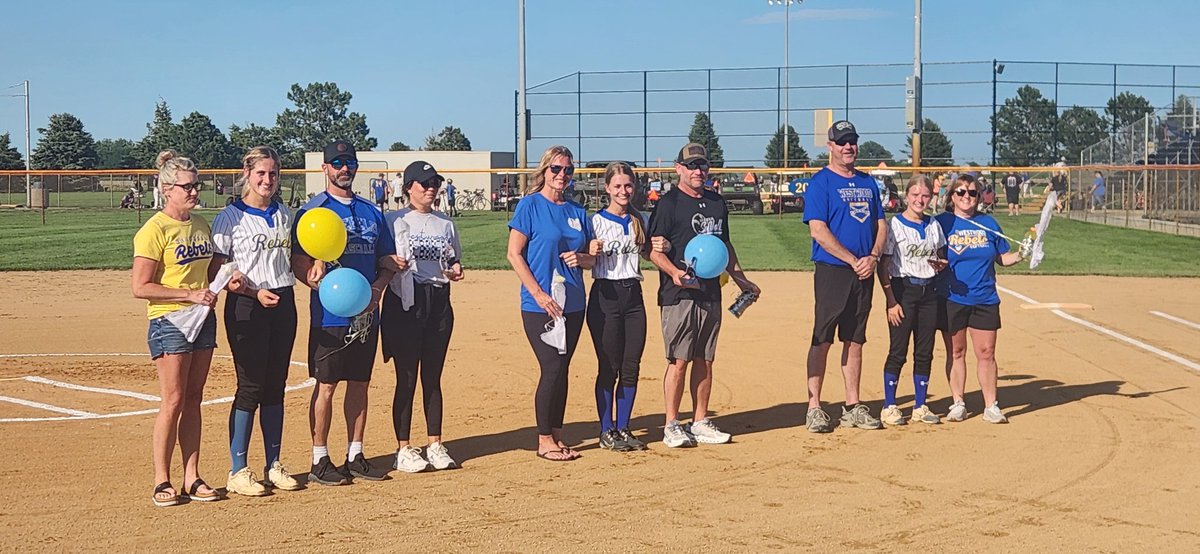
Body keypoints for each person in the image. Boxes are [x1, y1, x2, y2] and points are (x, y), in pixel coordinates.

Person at [291, 140, 396, 485]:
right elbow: (299, 262)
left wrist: (378, 290)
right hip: (330, 314)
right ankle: (320, 458)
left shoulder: (372, 212)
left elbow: (387, 260)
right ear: (325, 168)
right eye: (337, 163)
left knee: (360, 383)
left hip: (367, 313)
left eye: (349, 162)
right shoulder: (313, 212)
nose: (344, 168)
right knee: (326, 385)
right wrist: (311, 277)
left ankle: (355, 454)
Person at [647, 143, 759, 448]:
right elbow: (653, 252)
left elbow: (724, 247)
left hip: (711, 292)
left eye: (703, 165)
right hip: (678, 294)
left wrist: (741, 279)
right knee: (679, 360)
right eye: (692, 166)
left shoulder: (716, 202)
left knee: (705, 359)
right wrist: (673, 273)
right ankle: (671, 423)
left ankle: (699, 421)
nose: (699, 171)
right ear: (679, 168)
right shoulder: (668, 204)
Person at [209, 146, 302, 497]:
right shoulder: (230, 217)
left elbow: (293, 257)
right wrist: (248, 290)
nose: (267, 180)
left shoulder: (283, 213)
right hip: (247, 305)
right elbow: (217, 269)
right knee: (250, 386)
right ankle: (238, 469)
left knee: (276, 384)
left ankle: (274, 463)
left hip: (284, 301)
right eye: (261, 173)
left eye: (273, 173)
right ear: (246, 174)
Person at [132, 150, 222, 506]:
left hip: (202, 318)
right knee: (173, 400)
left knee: (195, 399)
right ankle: (161, 479)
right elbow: (141, 286)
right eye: (186, 186)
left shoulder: (200, 223)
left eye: (196, 185)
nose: (194, 192)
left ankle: (192, 476)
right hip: (170, 319)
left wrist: (226, 279)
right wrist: (188, 294)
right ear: (167, 189)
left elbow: (210, 269)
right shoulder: (153, 230)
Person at [506, 145, 595, 462]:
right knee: (552, 367)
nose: (562, 175)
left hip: (572, 302)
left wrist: (583, 257)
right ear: (544, 171)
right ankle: (544, 440)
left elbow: (590, 258)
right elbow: (514, 254)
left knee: (563, 369)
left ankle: (557, 435)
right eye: (556, 169)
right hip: (540, 304)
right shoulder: (529, 206)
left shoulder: (577, 213)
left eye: (568, 170)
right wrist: (539, 293)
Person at [801, 120, 887, 434]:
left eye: (852, 141)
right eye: (842, 142)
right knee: (822, 338)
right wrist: (853, 260)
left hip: (864, 271)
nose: (848, 147)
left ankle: (852, 405)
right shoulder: (821, 182)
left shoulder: (868, 183)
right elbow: (818, 231)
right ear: (831, 146)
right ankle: (814, 407)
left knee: (855, 339)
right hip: (833, 271)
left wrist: (873, 257)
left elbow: (881, 225)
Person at [382, 161, 464, 473]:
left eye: (434, 183)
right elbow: (382, 259)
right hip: (405, 301)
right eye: (423, 183)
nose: (430, 189)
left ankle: (435, 444)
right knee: (406, 377)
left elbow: (453, 258)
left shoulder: (445, 223)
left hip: (439, 301)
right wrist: (389, 261)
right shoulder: (393, 219)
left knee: (433, 376)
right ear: (408, 188)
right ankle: (403, 448)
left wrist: (455, 269)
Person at [585, 162, 669, 452]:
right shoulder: (595, 222)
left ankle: (623, 427)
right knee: (609, 366)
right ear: (607, 188)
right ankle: (606, 430)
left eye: (628, 185)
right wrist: (588, 250)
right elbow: (583, 257)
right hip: (605, 296)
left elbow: (648, 253)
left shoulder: (639, 220)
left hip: (633, 296)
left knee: (631, 366)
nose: (624, 191)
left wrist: (662, 246)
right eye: (617, 186)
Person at [935, 175, 1025, 424]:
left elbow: (1002, 258)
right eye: (961, 192)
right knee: (956, 351)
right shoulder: (942, 223)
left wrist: (1022, 255)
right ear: (951, 196)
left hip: (984, 296)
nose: (967, 197)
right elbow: (930, 254)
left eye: (972, 193)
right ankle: (958, 402)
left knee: (986, 352)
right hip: (952, 297)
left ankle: (991, 405)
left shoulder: (988, 223)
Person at [877, 175, 947, 427]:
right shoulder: (894, 225)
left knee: (924, 351)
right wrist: (890, 301)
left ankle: (920, 405)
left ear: (930, 198)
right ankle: (889, 406)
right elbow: (884, 265)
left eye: (925, 195)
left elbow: (940, 256)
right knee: (898, 350)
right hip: (903, 290)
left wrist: (941, 265)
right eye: (915, 194)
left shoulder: (933, 225)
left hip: (928, 292)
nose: (920, 200)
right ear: (907, 195)